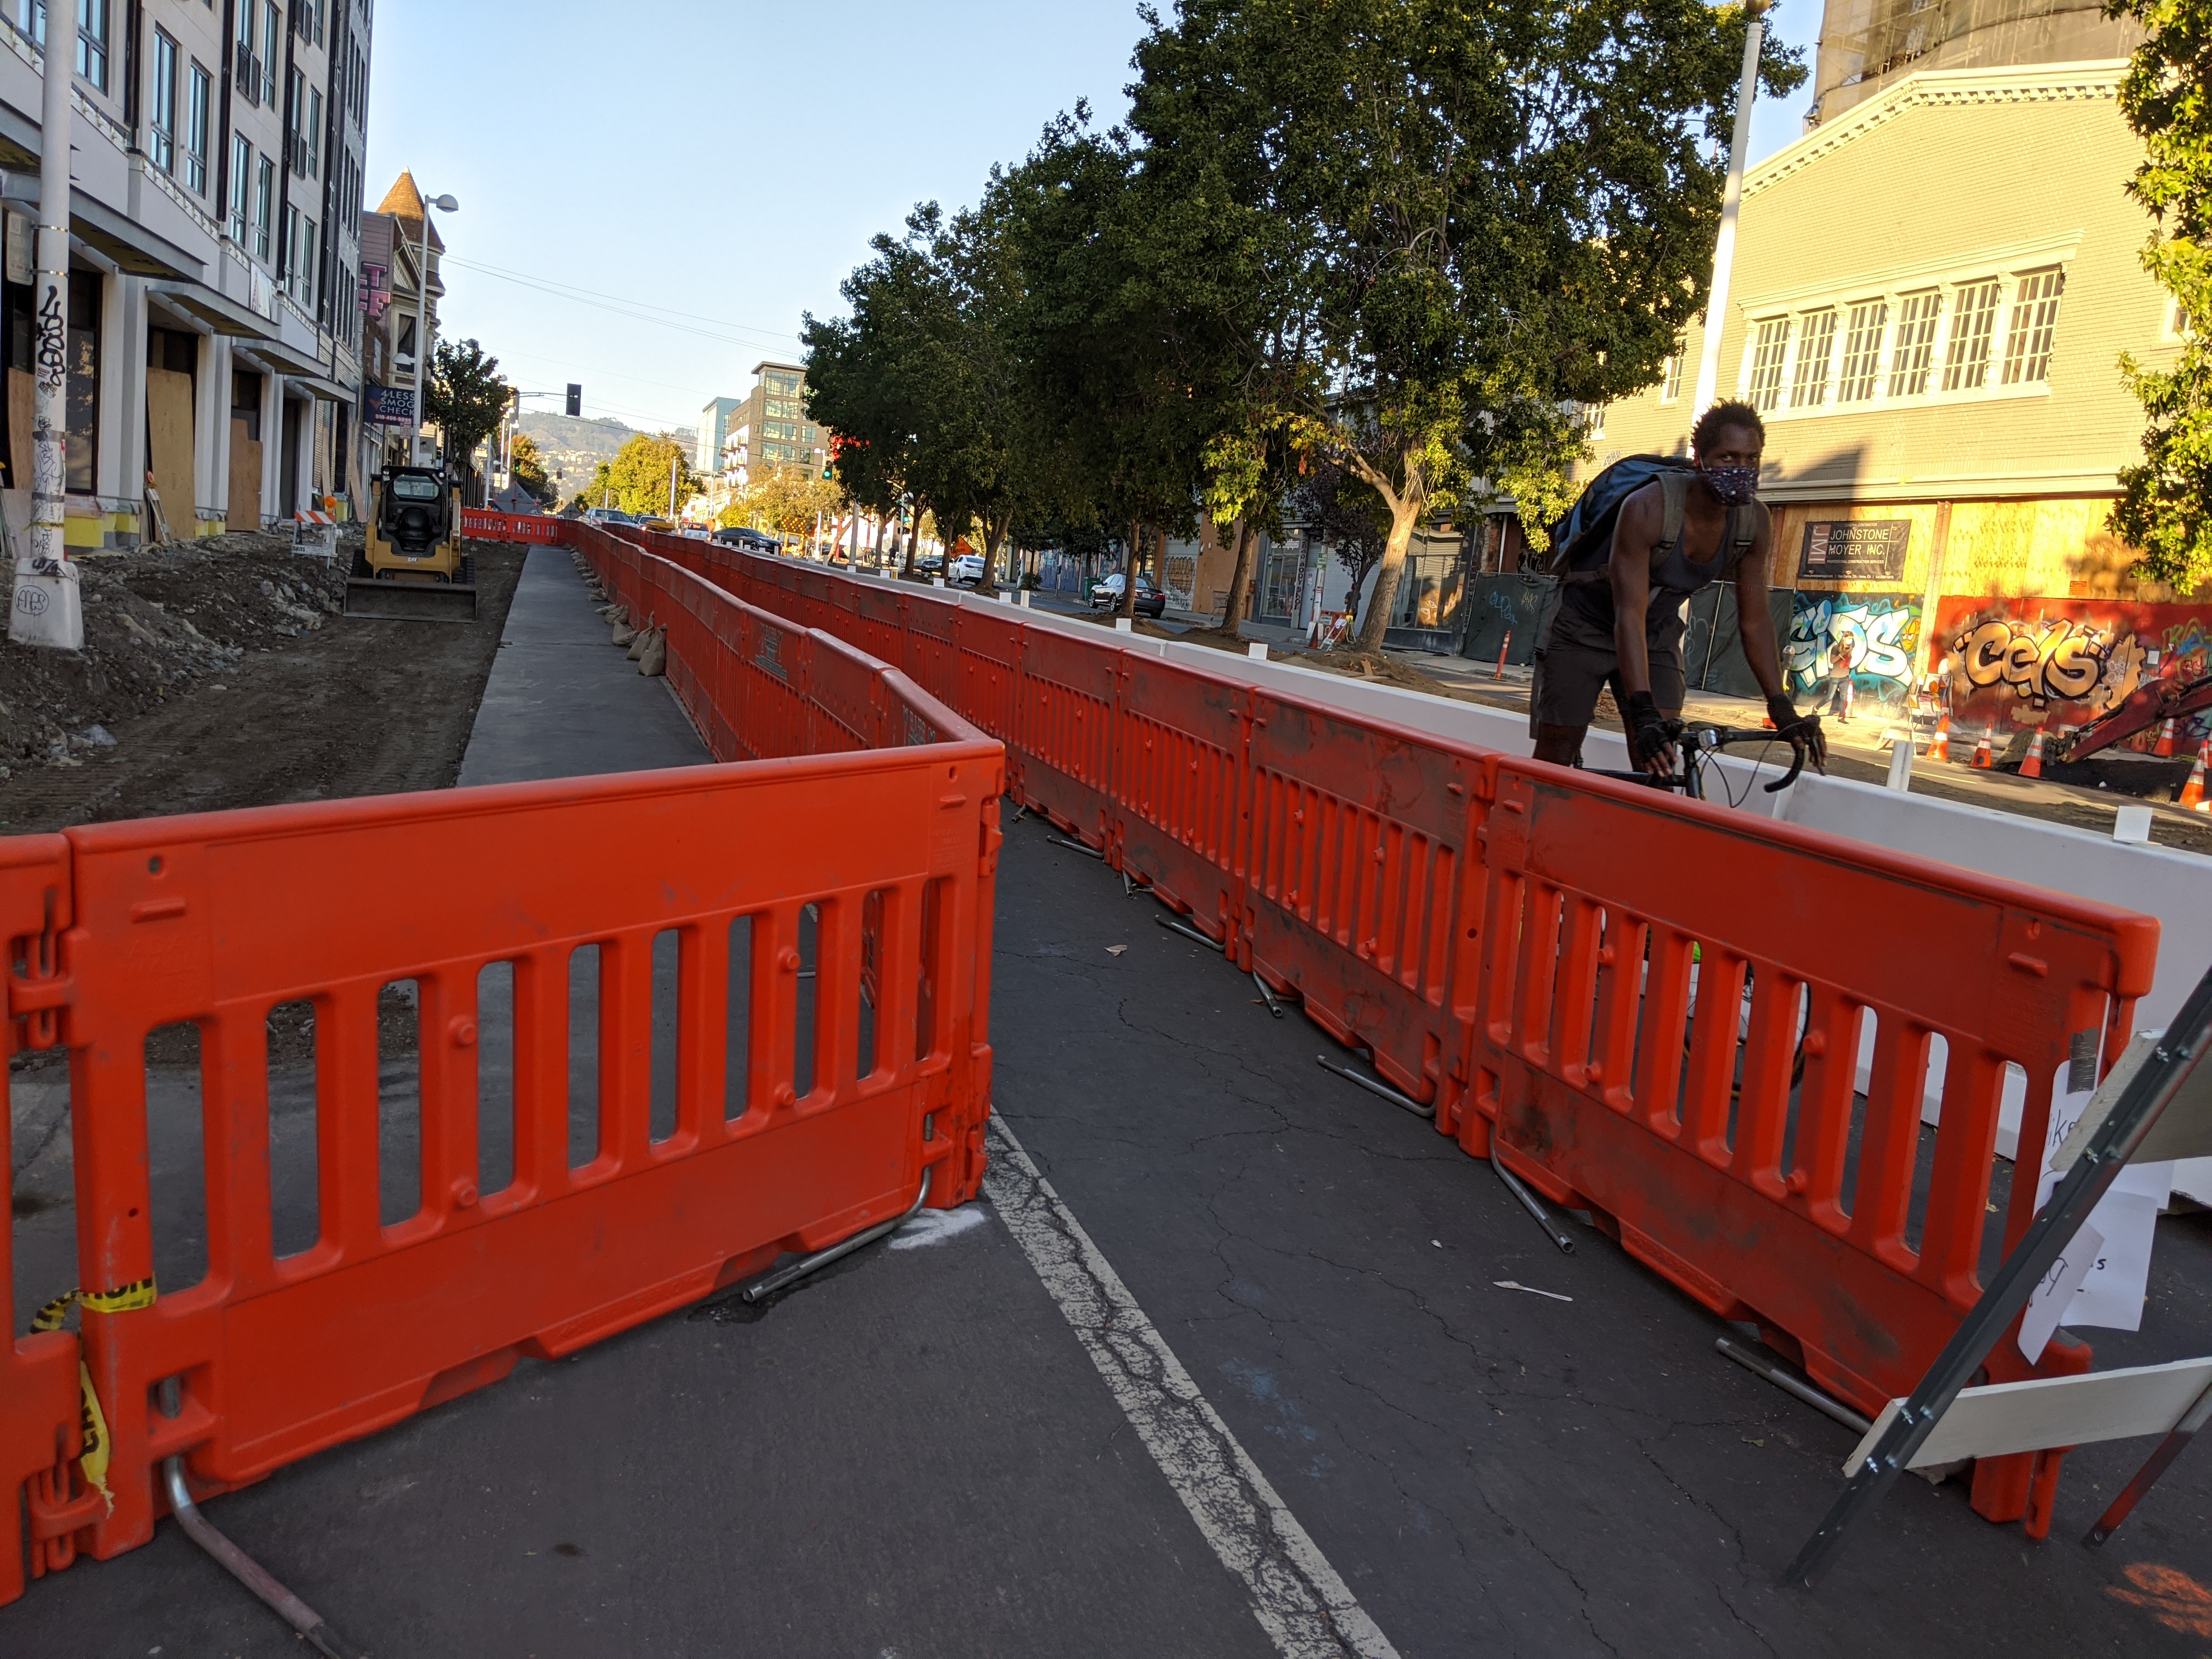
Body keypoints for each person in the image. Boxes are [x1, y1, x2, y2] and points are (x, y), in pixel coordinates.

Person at [1531, 399, 1827, 779]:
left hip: (1655, 633)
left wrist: (1780, 704)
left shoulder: (1754, 523)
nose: (1741, 470)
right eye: (1728, 457)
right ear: (1699, 458)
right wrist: (1642, 708)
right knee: (1559, 750)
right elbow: (1629, 613)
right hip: (1585, 627)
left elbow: (1755, 622)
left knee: (1659, 755)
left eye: (1752, 460)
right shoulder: (1648, 508)